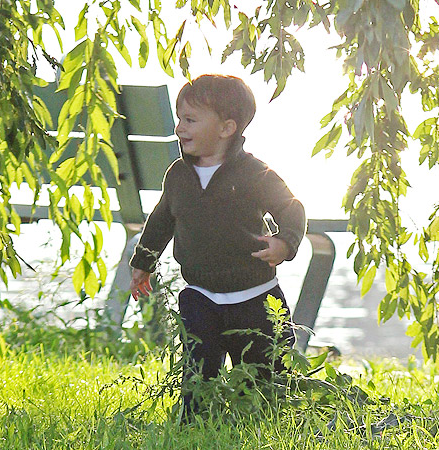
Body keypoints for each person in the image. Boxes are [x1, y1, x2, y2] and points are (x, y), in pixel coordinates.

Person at [128, 74, 306, 418]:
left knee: (265, 378)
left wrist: (285, 242)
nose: (180, 128)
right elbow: (162, 219)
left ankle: (263, 419)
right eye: (180, 118)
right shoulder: (177, 175)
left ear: (226, 128)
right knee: (198, 372)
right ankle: (194, 424)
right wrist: (144, 262)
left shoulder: (254, 173)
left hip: (256, 298)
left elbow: (290, 206)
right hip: (200, 296)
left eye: (191, 120)